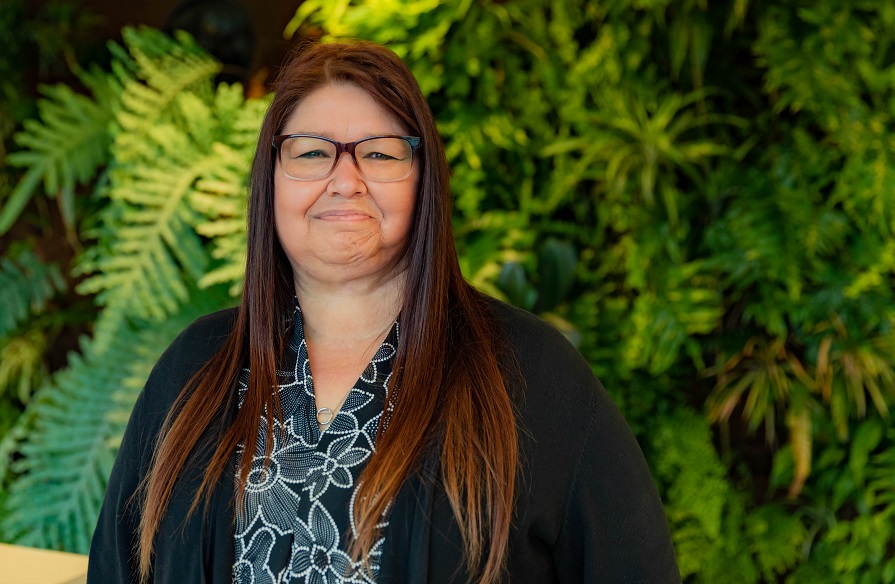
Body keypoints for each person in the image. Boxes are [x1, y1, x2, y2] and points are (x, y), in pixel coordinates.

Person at [87, 40, 680, 584]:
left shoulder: (530, 376)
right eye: (312, 152)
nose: (345, 180)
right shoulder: (195, 369)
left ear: (424, 181)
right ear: (271, 180)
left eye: (379, 153)